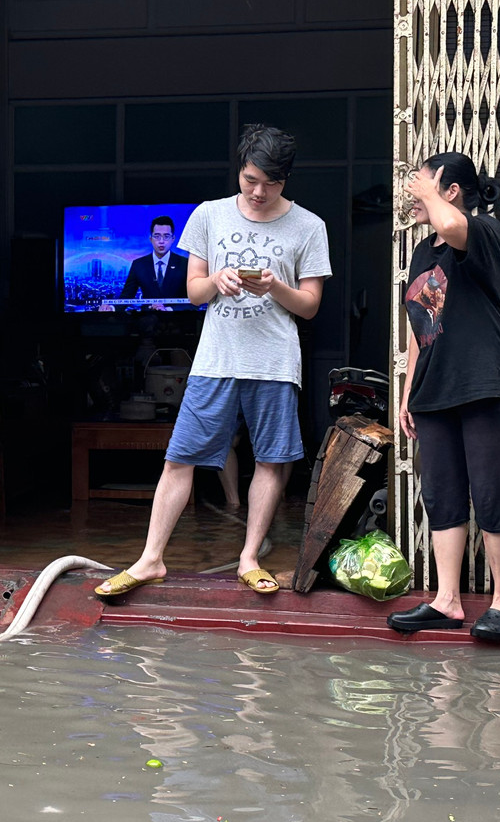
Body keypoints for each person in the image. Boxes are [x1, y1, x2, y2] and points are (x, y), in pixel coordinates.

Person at [95, 124, 331, 598]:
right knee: (179, 458)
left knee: (269, 462)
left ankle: (248, 559)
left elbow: (309, 304)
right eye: (250, 180)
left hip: (274, 363)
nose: (259, 192)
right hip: (215, 361)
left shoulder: (309, 225)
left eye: (271, 183)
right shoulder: (209, 215)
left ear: (287, 179)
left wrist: (275, 288)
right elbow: (193, 291)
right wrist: (218, 279)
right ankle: (150, 559)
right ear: (239, 171)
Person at [386, 153, 500, 643]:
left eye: (422, 184)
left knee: (491, 493)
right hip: (435, 389)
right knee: (442, 496)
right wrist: (409, 389)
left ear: (449, 190)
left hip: (488, 381)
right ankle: (447, 601)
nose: (411, 192)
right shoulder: (423, 251)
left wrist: (431, 193)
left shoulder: (482, 229)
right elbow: (419, 325)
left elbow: (453, 224)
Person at [117, 215, 188, 309]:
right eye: (157, 236)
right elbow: (126, 297)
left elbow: (194, 301)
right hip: (146, 320)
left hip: (177, 320)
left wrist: (169, 309)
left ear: (173, 239)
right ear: (151, 239)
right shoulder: (138, 264)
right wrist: (112, 308)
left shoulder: (185, 264)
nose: (161, 241)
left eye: (166, 236)